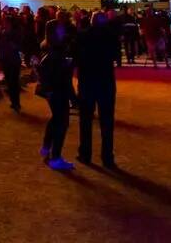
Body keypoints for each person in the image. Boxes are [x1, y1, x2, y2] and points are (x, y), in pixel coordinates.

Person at [75, 11, 118, 167]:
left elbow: (76, 57)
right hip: (105, 81)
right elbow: (115, 56)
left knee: (85, 120)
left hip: (87, 81)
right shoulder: (111, 37)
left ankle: (85, 154)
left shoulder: (82, 36)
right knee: (107, 121)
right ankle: (107, 156)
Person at [37, 19, 75, 171]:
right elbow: (59, 73)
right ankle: (55, 157)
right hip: (57, 89)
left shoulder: (49, 47)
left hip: (52, 90)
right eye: (60, 29)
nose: (63, 30)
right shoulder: (56, 50)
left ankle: (47, 147)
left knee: (56, 119)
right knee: (62, 122)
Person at [0, 14, 24, 111]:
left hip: (14, 60)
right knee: (9, 81)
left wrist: (12, 43)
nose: (4, 23)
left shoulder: (16, 33)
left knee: (14, 82)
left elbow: (20, 46)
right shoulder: (2, 32)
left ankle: (16, 102)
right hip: (5, 59)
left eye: (6, 22)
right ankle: (14, 101)